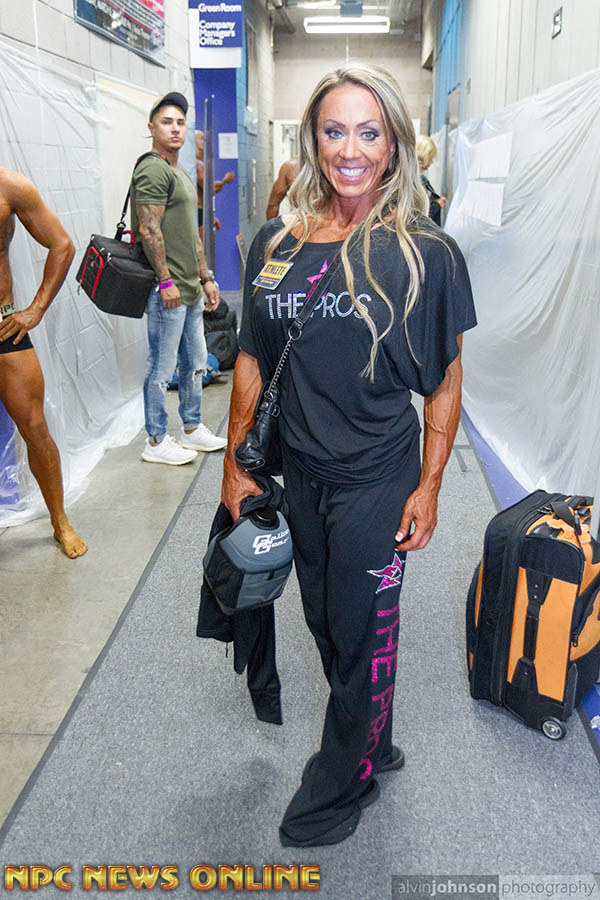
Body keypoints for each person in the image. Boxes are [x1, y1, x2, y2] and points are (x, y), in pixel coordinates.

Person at [221, 63, 476, 847]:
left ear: (394, 143)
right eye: (335, 131)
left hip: (377, 477)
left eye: (370, 132)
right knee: (328, 625)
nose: (351, 150)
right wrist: (236, 465)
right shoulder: (275, 242)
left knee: (362, 633)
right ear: (313, 139)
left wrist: (431, 485)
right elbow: (252, 358)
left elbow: (445, 379)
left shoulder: (426, 252)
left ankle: (338, 786)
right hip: (301, 473)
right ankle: (376, 737)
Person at [131, 92, 227, 465]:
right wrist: (166, 281)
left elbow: (191, 233)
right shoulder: (152, 169)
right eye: (167, 121)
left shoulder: (180, 173)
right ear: (151, 127)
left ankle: (191, 427)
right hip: (167, 290)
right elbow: (148, 228)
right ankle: (156, 440)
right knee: (161, 367)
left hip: (190, 288)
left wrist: (206, 277)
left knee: (195, 361)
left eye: (180, 122)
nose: (175, 128)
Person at [0, 168, 87, 558]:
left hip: (3, 325)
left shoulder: (10, 186)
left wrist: (35, 309)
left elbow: (62, 244)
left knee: (35, 427)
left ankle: (60, 522)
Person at [195, 130, 235, 240]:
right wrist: (224, 181)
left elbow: (206, 190)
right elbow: (210, 189)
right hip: (198, 213)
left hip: (202, 212)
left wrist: (211, 216)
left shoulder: (198, 163)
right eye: (201, 138)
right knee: (203, 249)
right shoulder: (197, 164)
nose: (204, 141)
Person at [416, 135, 447, 226]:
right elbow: (418, 218)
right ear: (424, 156)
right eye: (431, 158)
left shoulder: (419, 178)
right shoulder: (414, 181)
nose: (432, 162)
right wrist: (437, 205)